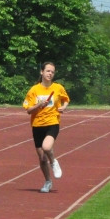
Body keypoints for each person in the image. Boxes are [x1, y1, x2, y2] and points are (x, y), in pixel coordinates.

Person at [22, 61, 69, 193]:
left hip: (52, 123)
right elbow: (28, 110)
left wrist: (63, 107)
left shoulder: (58, 88)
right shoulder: (34, 90)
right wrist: (39, 105)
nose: (50, 74)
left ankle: (54, 162)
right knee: (42, 158)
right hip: (37, 125)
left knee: (47, 147)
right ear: (41, 72)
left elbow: (66, 99)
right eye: (48, 71)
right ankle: (48, 181)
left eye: (52, 72)